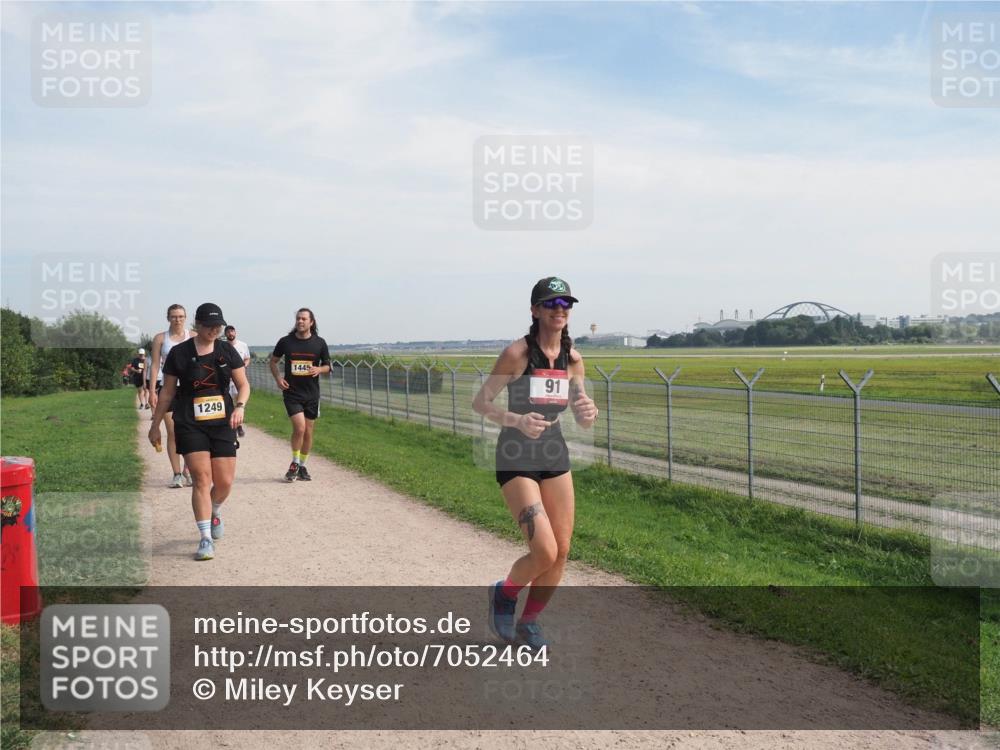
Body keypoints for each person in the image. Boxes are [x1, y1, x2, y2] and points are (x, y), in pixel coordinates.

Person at [472, 277, 598, 650]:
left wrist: (588, 412)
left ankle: (529, 622)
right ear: (535, 310)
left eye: (566, 304)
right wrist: (516, 420)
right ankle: (505, 594)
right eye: (551, 303)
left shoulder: (573, 359)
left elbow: (581, 411)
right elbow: (481, 402)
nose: (560, 310)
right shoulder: (517, 354)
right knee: (543, 549)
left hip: (554, 449)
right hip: (516, 452)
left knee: (561, 548)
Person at [148, 303, 249, 561]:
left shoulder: (227, 350)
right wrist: (155, 424)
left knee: (224, 482)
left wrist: (240, 406)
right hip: (190, 421)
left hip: (223, 422)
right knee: (202, 479)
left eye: (219, 326)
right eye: (209, 326)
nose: (215, 330)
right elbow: (167, 392)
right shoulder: (179, 354)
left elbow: (243, 385)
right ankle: (204, 538)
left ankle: (215, 510)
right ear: (198, 325)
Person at [269, 308, 331, 482]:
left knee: (309, 432)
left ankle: (302, 466)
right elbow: (273, 361)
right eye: (298, 318)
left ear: (311, 322)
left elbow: (328, 366)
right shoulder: (286, 342)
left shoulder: (319, 343)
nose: (300, 321)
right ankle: (295, 463)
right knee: (300, 428)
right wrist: (278, 378)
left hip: (312, 395)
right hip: (292, 393)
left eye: (304, 319)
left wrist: (319, 369)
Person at [149, 304, 196, 488]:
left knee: (190, 432)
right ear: (168, 318)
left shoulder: (192, 336)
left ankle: (188, 470)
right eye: (174, 316)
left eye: (181, 316)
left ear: (186, 318)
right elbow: (154, 365)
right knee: (173, 432)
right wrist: (152, 391)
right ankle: (177, 474)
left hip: (189, 389)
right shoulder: (161, 339)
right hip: (168, 388)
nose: (178, 319)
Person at [224, 325, 252, 438]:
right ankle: (232, 424)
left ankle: (239, 424)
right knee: (228, 402)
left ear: (235, 332)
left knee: (239, 401)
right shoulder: (223, 346)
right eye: (228, 332)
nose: (231, 334)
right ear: (225, 334)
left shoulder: (243, 345)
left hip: (239, 379)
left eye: (232, 331)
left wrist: (244, 366)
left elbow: (247, 358)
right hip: (227, 379)